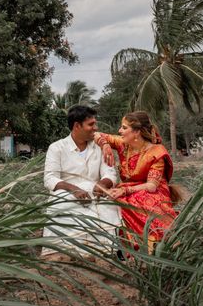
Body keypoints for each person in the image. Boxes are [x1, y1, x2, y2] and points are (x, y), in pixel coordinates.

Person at [94, 111, 178, 252]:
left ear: (137, 132)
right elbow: (96, 134)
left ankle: (158, 241)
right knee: (113, 201)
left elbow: (151, 186)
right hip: (127, 188)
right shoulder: (122, 144)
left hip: (153, 190)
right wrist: (105, 144)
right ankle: (127, 245)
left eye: (124, 127)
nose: (119, 131)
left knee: (133, 200)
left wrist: (125, 190)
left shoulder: (156, 152)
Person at [42, 105, 121, 256]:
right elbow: (50, 178)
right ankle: (66, 252)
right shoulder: (57, 148)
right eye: (91, 124)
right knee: (64, 208)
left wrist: (103, 184)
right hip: (66, 193)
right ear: (77, 126)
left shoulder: (99, 147)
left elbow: (110, 173)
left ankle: (107, 251)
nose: (95, 128)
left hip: (96, 192)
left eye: (95, 124)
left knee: (109, 207)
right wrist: (73, 189)